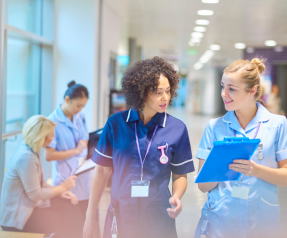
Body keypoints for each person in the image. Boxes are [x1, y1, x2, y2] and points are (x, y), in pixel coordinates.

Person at [83, 56, 195, 238]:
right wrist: (90, 217)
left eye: (168, 91)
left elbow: (180, 174)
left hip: (158, 215)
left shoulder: (177, 129)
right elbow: (102, 172)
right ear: (141, 92)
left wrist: (176, 196)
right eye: (158, 92)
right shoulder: (116, 124)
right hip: (121, 213)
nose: (165, 97)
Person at [195, 58, 287, 238]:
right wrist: (218, 166)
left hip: (261, 222)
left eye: (232, 89)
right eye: (223, 86)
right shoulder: (214, 127)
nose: (223, 94)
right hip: (220, 221)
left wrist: (256, 170)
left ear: (252, 91)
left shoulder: (278, 125)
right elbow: (203, 186)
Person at [0, 116, 84, 238]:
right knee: (59, 221)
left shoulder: (33, 150)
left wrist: (61, 192)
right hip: (16, 219)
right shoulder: (26, 157)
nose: (54, 137)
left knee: (70, 207)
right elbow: (36, 194)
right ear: (41, 136)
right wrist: (63, 187)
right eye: (51, 134)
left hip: (28, 208)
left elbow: (40, 182)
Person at [45, 81, 91, 217]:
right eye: (78, 105)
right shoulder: (52, 121)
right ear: (67, 99)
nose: (80, 109)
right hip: (64, 179)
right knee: (70, 225)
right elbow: (48, 155)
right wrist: (76, 151)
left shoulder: (80, 116)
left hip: (83, 176)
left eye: (83, 106)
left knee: (85, 222)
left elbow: (84, 140)